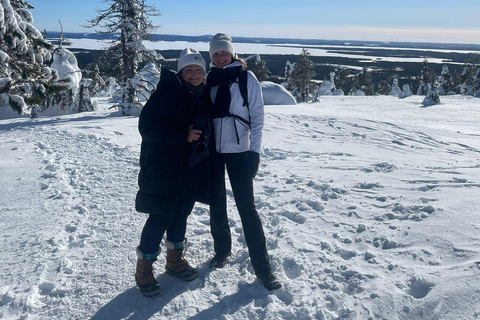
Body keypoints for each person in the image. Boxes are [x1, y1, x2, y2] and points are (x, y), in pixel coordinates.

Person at [206, 33, 282, 291]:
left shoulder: (246, 78)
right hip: (214, 152)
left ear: (232, 53)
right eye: (215, 54)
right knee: (216, 205)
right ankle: (222, 251)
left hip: (240, 152)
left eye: (223, 52)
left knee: (247, 209)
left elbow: (258, 118)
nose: (219, 57)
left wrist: (255, 152)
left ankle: (263, 269)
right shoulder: (209, 79)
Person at [134, 48, 211, 297]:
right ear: (181, 72)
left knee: (180, 214)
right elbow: (146, 127)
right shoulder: (165, 93)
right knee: (160, 217)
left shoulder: (200, 95)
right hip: (163, 168)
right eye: (190, 70)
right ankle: (144, 268)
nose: (195, 74)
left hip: (187, 168)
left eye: (199, 70)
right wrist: (183, 136)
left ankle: (174, 261)